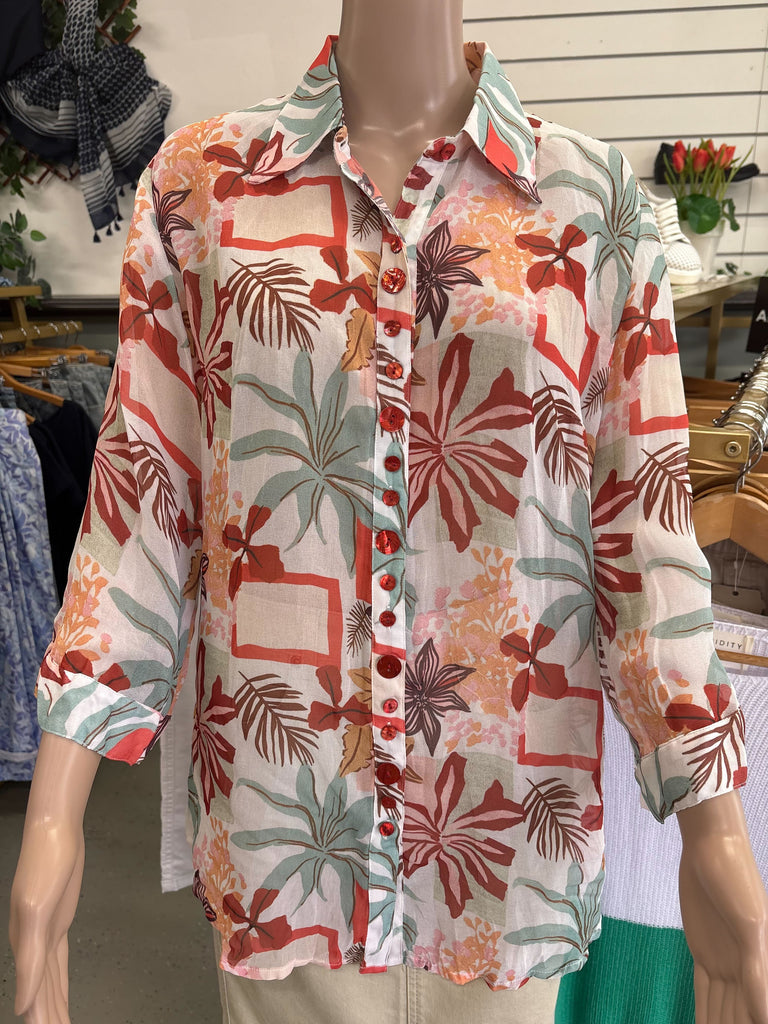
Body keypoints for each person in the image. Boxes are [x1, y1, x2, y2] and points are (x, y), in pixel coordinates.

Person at [10, 2, 768, 1022]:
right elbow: (140, 515)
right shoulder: (203, 187)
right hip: (287, 853)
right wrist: (54, 812)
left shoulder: (592, 201)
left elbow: (647, 533)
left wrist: (714, 825)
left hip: (507, 859)